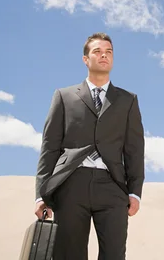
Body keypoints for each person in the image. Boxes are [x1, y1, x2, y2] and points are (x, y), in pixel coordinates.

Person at [33, 32, 145, 259]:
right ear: (86, 59)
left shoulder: (128, 100)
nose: (104, 55)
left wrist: (135, 192)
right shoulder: (63, 96)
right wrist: (41, 195)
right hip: (71, 184)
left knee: (114, 254)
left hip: (113, 186)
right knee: (68, 254)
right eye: (97, 51)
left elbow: (134, 150)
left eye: (109, 52)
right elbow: (49, 148)